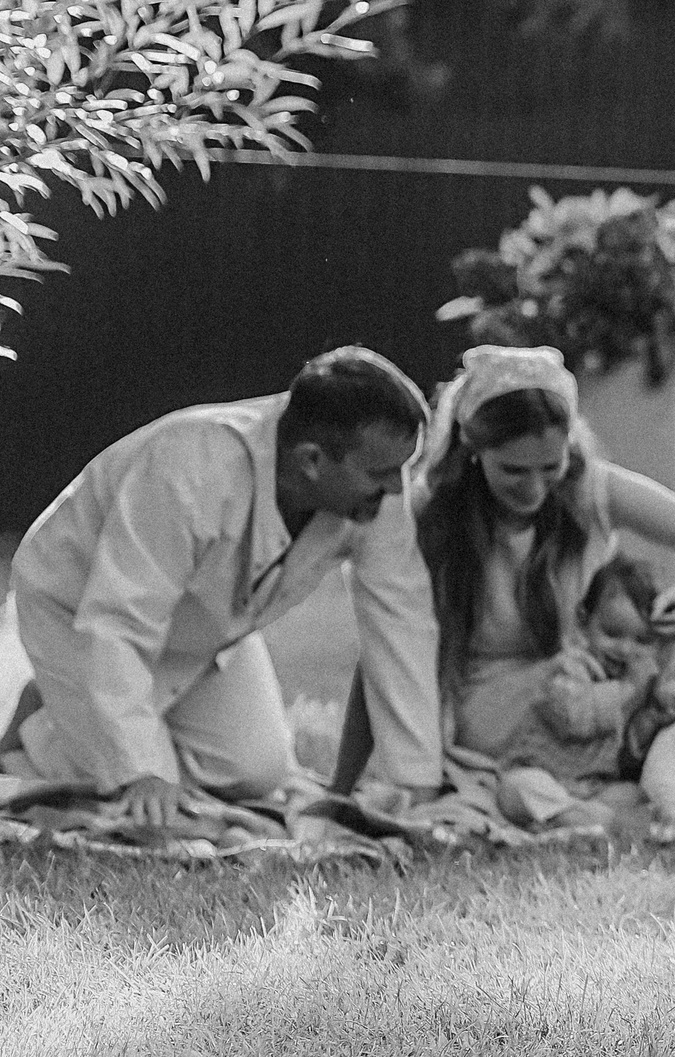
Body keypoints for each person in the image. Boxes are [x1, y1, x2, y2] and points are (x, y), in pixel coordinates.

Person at [336, 344, 675, 843]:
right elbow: (385, 648)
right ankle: (639, 804)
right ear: (472, 448)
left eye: (548, 467)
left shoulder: (590, 486)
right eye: (513, 470)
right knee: (536, 777)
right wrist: (343, 783)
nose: (534, 489)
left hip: (598, 695)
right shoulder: (432, 511)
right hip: (509, 721)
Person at [0, 348, 443, 821]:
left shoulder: (371, 485)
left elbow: (403, 619)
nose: (398, 489)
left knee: (256, 775)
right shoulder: (191, 465)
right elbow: (117, 619)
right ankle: (41, 732)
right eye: (381, 474)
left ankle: (69, 718)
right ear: (311, 460)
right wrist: (142, 771)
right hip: (75, 605)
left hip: (201, 625)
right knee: (135, 791)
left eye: (403, 468)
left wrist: (414, 781)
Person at [458, 555, 675, 837]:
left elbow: (625, 753)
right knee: (517, 790)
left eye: (641, 641)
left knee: (634, 794)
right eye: (612, 633)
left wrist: (648, 721)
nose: (625, 649)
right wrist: (630, 689)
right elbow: (575, 717)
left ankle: (579, 821)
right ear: (584, 622)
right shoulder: (569, 667)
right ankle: (601, 824)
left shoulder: (636, 681)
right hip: (544, 773)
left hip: (593, 787)